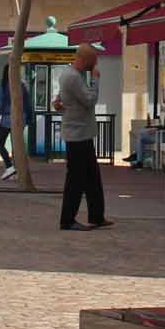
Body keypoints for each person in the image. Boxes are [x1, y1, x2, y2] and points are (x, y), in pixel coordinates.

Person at [55, 43, 108, 230]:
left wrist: (58, 101)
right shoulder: (74, 78)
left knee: (92, 177)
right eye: (93, 62)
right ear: (85, 60)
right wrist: (95, 80)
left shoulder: (70, 75)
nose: (94, 66)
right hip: (77, 135)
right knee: (76, 179)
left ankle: (97, 215)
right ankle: (67, 219)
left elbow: (62, 97)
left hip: (82, 133)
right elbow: (90, 100)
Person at [0, 74, 31, 180]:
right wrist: (29, 117)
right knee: (16, 145)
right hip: (21, 117)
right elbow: (28, 102)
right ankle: (18, 171)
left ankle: (9, 167)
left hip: (7, 118)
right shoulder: (22, 84)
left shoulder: (3, 84)